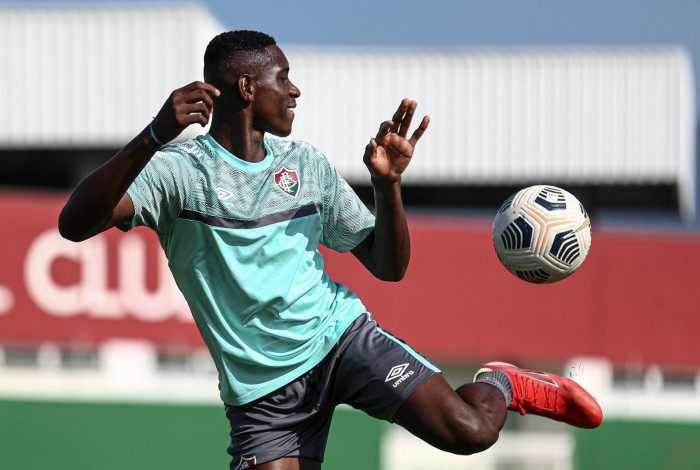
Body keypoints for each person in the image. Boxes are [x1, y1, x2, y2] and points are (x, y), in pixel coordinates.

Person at [59, 30, 602, 469]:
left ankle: (498, 383)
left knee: (473, 432)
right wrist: (153, 135)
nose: (295, 91)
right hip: (262, 395)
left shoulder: (308, 168)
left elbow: (388, 267)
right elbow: (74, 223)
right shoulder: (178, 174)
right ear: (247, 87)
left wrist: (387, 185)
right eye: (284, 77)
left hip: (339, 339)